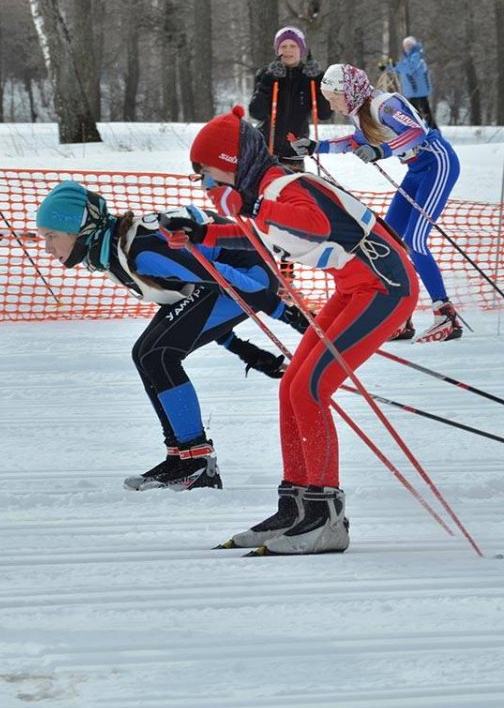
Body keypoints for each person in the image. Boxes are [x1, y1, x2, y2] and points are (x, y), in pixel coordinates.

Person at [162, 106, 419, 554]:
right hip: (355, 287)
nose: (205, 184)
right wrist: (203, 233)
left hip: (385, 287)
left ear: (230, 164)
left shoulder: (283, 186)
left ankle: (325, 514)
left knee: (311, 390)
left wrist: (252, 206)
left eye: (206, 173)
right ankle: (296, 504)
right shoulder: (266, 191)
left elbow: (312, 224)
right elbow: (265, 235)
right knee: (291, 388)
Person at [34, 180, 309, 491]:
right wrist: (240, 347)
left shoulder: (139, 250)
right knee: (145, 354)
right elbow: (186, 299)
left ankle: (197, 461)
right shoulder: (117, 247)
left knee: (159, 355)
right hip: (225, 281)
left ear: (80, 230)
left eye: (52, 236)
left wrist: (284, 313)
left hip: (250, 279)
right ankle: (181, 456)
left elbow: (217, 276)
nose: (47, 247)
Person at [295, 63, 461, 343]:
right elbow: (354, 142)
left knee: (415, 240)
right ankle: (402, 318)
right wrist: (316, 147)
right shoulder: (360, 113)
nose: (332, 105)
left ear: (348, 91)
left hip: (437, 162)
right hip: (417, 170)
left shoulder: (384, 105)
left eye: (333, 97)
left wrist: (380, 150)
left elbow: (415, 133)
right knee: (391, 241)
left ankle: (445, 315)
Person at [247, 26, 328, 171]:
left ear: (301, 50)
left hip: (295, 152)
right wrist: (268, 80)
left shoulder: (310, 77)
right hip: (266, 151)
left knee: (293, 192)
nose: (288, 50)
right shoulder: (266, 74)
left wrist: (319, 81)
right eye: (283, 46)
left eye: (293, 46)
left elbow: (325, 113)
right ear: (277, 50)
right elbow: (256, 112)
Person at [382, 36, 436, 129]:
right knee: (415, 110)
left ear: (413, 45)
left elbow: (410, 68)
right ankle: (422, 128)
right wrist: (387, 67)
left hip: (418, 89)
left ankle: (427, 128)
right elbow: (400, 69)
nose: (407, 47)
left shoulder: (416, 55)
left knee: (420, 109)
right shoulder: (407, 57)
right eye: (405, 45)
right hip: (413, 90)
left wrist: (396, 65)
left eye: (409, 45)